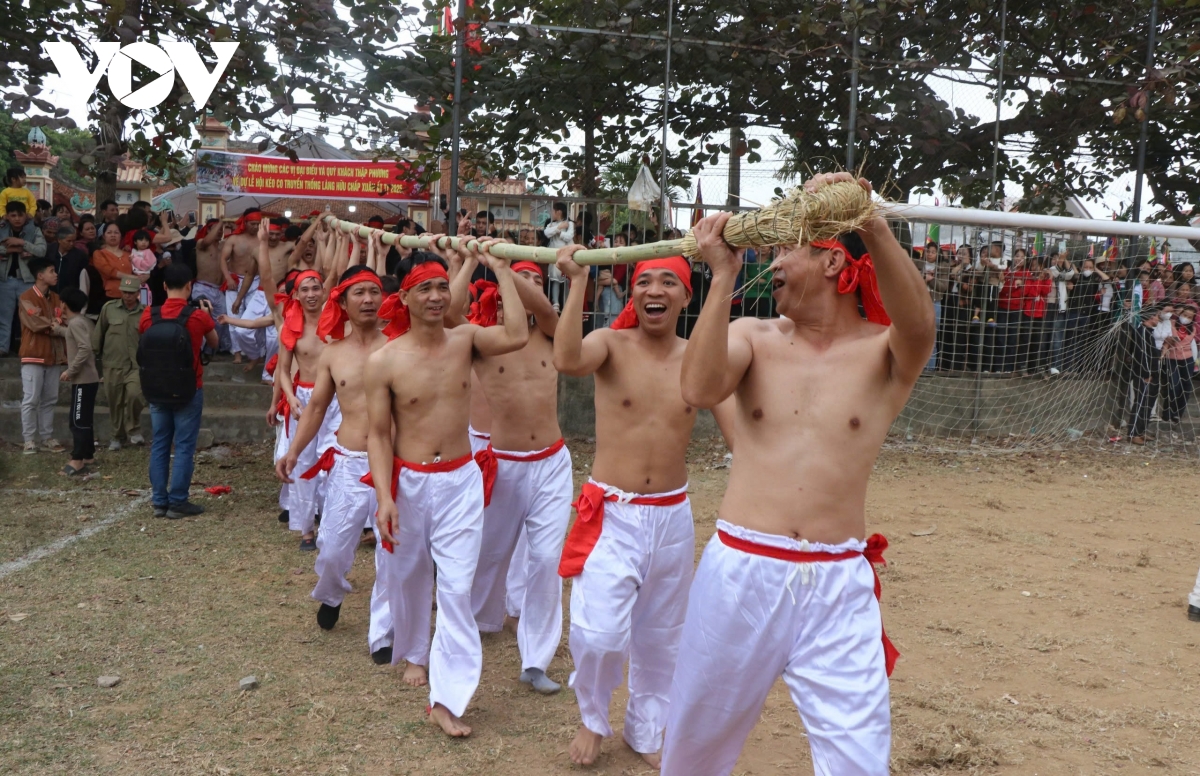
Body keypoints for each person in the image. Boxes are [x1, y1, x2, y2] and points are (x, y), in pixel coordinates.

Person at [659, 173, 934, 776]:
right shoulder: (752, 337)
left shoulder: (885, 353)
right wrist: (722, 276)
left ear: (833, 261)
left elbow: (920, 326)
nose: (774, 262)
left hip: (838, 582)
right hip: (741, 570)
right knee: (693, 745)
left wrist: (870, 220)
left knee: (859, 758)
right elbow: (698, 388)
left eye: (788, 249)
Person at [366, 243, 529, 738]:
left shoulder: (466, 340)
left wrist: (501, 271)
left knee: (456, 589)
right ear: (405, 298)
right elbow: (378, 434)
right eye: (425, 289)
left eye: (442, 287)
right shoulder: (384, 360)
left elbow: (517, 334)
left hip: (460, 480)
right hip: (409, 481)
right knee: (409, 574)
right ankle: (415, 651)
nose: (436, 297)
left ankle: (447, 696)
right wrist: (384, 496)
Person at [551, 246, 705, 769]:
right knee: (598, 633)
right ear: (632, 292)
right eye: (644, 282)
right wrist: (577, 282)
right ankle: (592, 717)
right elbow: (567, 360)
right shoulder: (609, 344)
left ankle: (646, 729)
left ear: (686, 296)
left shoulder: (699, 358)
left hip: (672, 515)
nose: (654, 291)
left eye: (668, 282)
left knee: (661, 635)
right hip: (612, 513)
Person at [448, 253, 571, 695]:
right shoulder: (482, 341)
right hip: (502, 462)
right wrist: (469, 262)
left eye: (532, 283)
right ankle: (477, 622)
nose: (521, 293)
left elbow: (547, 309)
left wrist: (507, 270)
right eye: (515, 286)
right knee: (489, 552)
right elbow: (449, 312)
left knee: (546, 561)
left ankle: (535, 658)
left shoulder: (551, 335)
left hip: (552, 463)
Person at [276, 262, 394, 658]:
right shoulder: (334, 354)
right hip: (348, 461)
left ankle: (383, 634)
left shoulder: (399, 346)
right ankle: (331, 593)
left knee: (392, 551)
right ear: (342, 302)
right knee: (331, 549)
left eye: (374, 292)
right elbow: (315, 408)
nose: (368, 300)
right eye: (359, 293)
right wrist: (294, 451)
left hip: (395, 464)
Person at [267, 222, 335, 551]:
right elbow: (282, 370)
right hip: (304, 400)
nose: (310, 294)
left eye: (315, 288)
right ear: (296, 294)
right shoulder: (290, 327)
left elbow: (336, 270)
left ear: (324, 291)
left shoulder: (337, 322)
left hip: (336, 400)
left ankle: (333, 525)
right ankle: (307, 530)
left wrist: (330, 240)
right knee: (302, 462)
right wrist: (290, 397)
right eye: (304, 289)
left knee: (336, 462)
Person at [138, 262, 217, 518]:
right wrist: (207, 314)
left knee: (160, 443)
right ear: (189, 286)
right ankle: (178, 501)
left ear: (163, 286)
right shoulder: (197, 316)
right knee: (183, 445)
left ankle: (159, 500)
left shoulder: (148, 315)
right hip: (188, 388)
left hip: (156, 388)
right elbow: (214, 342)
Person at [17, 257, 67, 454]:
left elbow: (64, 318)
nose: (55, 274)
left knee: (50, 398)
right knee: (31, 399)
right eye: (51, 271)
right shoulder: (26, 297)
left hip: (53, 355)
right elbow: (35, 323)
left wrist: (57, 322)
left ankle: (47, 437)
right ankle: (29, 440)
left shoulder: (56, 297)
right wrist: (55, 323)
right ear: (40, 275)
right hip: (33, 354)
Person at [93, 276, 148, 450]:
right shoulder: (109, 309)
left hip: (136, 365)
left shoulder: (145, 312)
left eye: (131, 293)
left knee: (135, 395)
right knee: (114, 401)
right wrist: (95, 360)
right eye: (125, 292)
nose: (127, 296)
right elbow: (98, 334)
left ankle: (134, 428)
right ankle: (117, 436)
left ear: (138, 293)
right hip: (113, 364)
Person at [219, 208, 267, 370]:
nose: (255, 226)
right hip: (235, 280)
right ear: (245, 223)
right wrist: (227, 278)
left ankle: (257, 352)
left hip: (256, 281)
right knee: (233, 316)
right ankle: (237, 352)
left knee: (256, 318)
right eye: (252, 223)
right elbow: (223, 259)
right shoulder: (233, 239)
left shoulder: (262, 239)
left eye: (258, 224)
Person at [1, 201, 49, 356]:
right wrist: (8, 250)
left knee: (29, 317)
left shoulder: (34, 230)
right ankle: (2, 348)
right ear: (7, 216)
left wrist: (22, 243)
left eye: (20, 215)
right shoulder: (1, 229)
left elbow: (41, 250)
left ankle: (28, 348)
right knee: (4, 317)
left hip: (27, 280)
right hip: (4, 280)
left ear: (25, 215)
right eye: (13, 215)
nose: (17, 219)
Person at [60, 288, 99, 475]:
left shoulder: (75, 324)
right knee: (85, 419)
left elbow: (85, 348)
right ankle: (88, 454)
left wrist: (71, 370)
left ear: (64, 305)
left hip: (83, 379)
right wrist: (58, 329)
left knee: (77, 420)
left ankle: (77, 460)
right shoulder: (83, 321)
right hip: (90, 379)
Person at [191, 218, 230, 354]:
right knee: (202, 318)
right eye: (216, 229)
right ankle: (198, 349)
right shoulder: (201, 244)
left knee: (221, 319)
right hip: (203, 287)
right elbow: (207, 241)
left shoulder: (223, 245)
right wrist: (221, 222)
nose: (219, 232)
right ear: (208, 230)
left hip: (218, 290)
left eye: (221, 230)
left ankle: (211, 350)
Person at [1162, 301, 1195, 424]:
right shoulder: (1171, 324)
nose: (1186, 318)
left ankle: (1177, 414)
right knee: (1173, 385)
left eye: (1189, 317)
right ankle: (1167, 412)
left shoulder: (1193, 329)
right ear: (1180, 314)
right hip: (1172, 358)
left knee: (1186, 387)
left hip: (1187, 359)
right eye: (1185, 315)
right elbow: (1166, 339)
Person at [92, 222, 144, 299]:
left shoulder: (129, 254)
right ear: (104, 236)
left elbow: (141, 271)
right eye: (109, 232)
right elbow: (109, 272)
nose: (113, 235)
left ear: (121, 236)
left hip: (133, 296)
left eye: (116, 232)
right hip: (112, 296)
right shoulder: (99, 254)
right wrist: (132, 277)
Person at [48, 225, 89, 296]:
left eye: (74, 241)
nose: (72, 244)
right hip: (51, 293)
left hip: (71, 295)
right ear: (59, 240)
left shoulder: (80, 256)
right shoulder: (50, 251)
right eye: (69, 241)